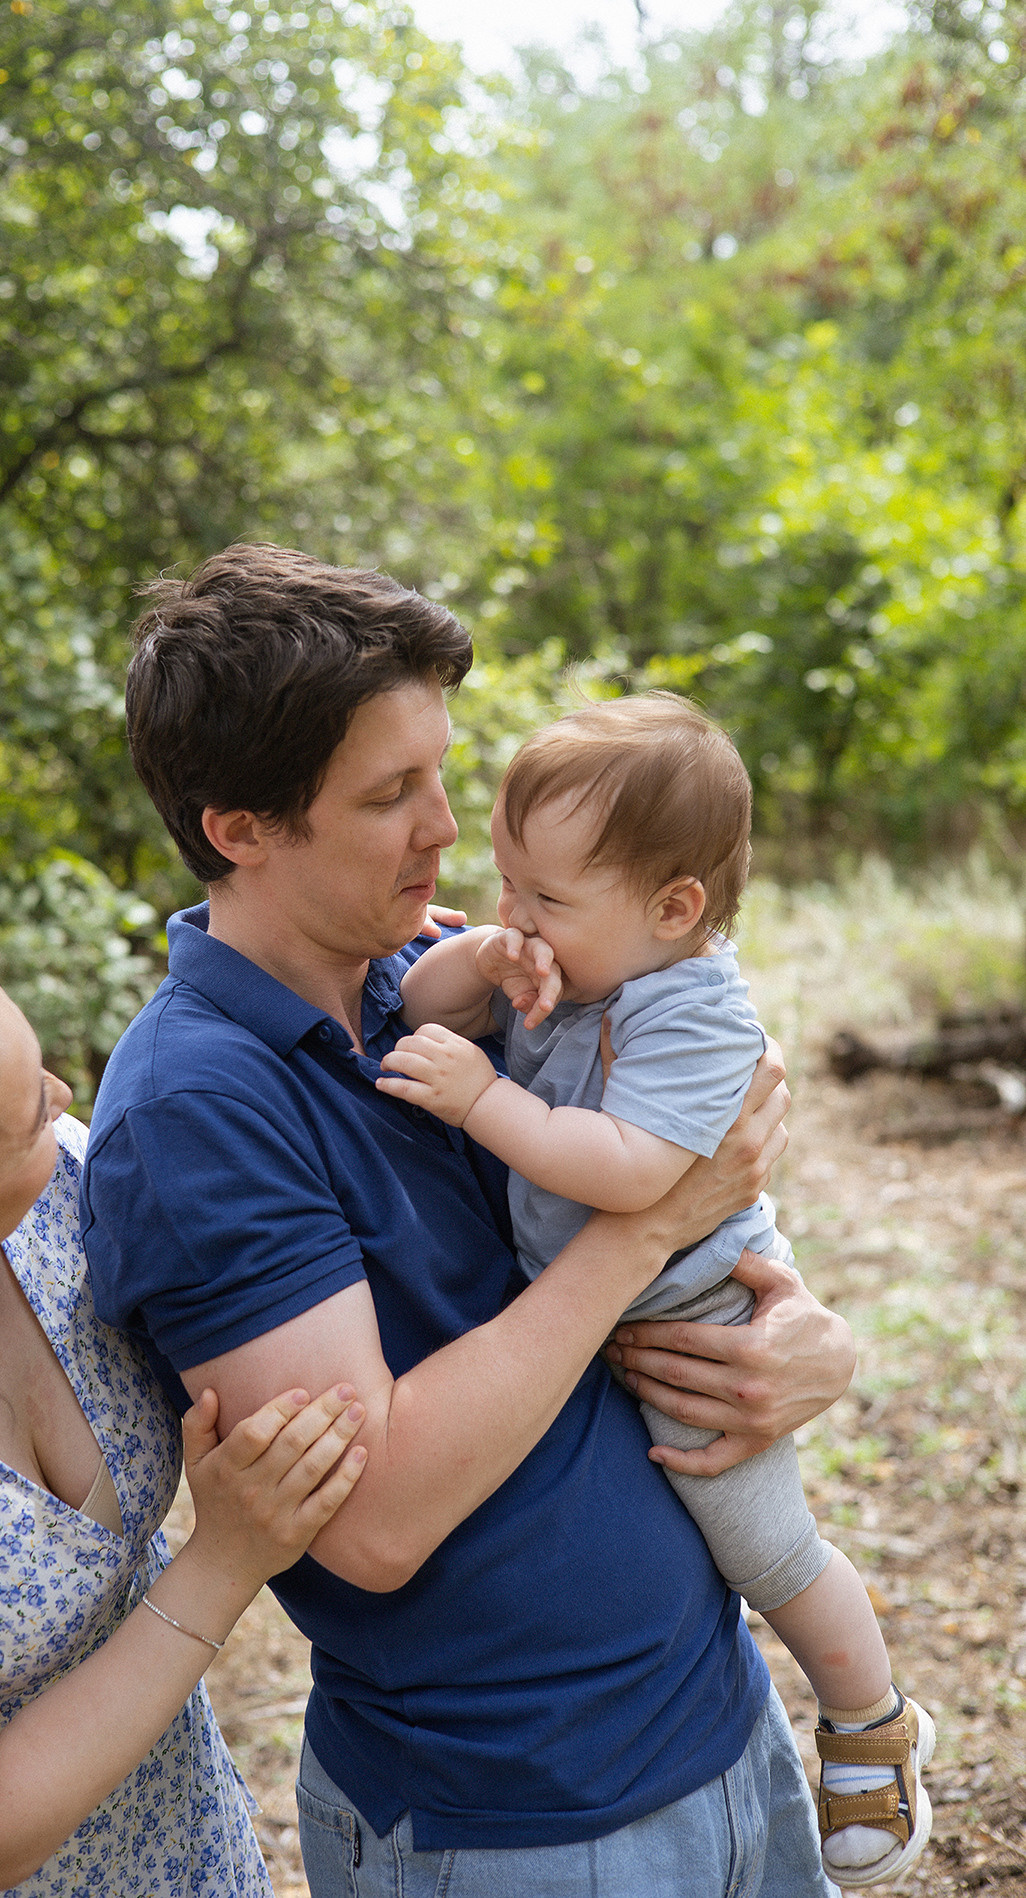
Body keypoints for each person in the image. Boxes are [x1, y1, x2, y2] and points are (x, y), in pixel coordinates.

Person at [81, 543, 855, 1898]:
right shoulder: (195, 1109)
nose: (444, 827)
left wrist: (800, 1338)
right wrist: (646, 1230)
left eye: (440, 771)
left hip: (718, 1723)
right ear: (240, 827)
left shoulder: (427, 967)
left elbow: (700, 1127)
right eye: (389, 794)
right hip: (517, 1819)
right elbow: (372, 1516)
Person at [378, 692, 934, 1890]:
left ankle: (870, 1716)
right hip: (601, 1308)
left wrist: (485, 1099)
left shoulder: (693, 1009)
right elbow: (417, 1006)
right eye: (506, 882)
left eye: (545, 898)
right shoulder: (574, 960)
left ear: (674, 908)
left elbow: (633, 1173)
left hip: (696, 1315)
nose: (519, 915)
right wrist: (481, 956)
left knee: (760, 1543)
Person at [0, 921, 368, 1898]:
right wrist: (224, 1560)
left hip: (180, 1841)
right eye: (26, 1121)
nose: (63, 1098)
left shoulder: (66, 1195)